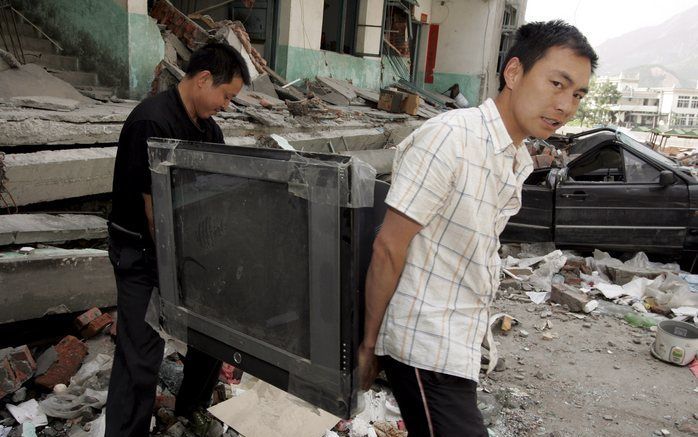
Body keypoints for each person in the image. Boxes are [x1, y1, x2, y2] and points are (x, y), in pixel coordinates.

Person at [358, 20, 597, 437]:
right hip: (424, 344)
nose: (565, 105)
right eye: (556, 84)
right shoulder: (451, 138)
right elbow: (389, 247)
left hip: (460, 342)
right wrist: (369, 345)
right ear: (514, 73)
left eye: (577, 94)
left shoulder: (514, 157)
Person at [105, 42, 251, 437]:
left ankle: (191, 407)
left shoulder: (209, 129)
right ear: (204, 79)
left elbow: (219, 195)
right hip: (140, 251)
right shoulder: (151, 123)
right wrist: (180, 272)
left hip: (189, 250)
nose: (226, 105)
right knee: (141, 354)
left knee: (213, 332)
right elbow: (155, 215)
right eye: (226, 95)